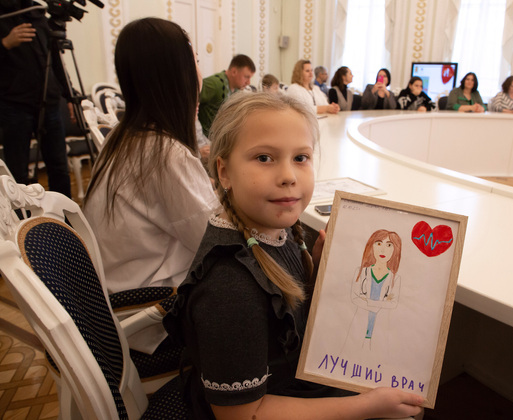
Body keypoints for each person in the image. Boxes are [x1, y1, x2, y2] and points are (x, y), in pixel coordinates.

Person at [163, 93, 425, 419]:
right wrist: (367, 406)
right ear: (224, 171)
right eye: (264, 158)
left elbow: (286, 320)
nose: (288, 175)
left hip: (293, 381)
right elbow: (241, 415)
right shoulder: (229, 288)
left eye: (301, 157)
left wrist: (318, 271)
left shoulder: (277, 232)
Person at [83, 18, 219, 299]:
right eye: (195, 61)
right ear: (175, 75)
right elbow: (215, 240)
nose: (200, 74)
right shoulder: (166, 153)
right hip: (152, 304)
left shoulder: (121, 135)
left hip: (118, 286)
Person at [0, 1, 72, 197]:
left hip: (49, 102)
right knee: (18, 173)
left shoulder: (37, 14)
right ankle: (23, 215)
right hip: (14, 104)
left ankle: (65, 213)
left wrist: (69, 95)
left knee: (59, 166)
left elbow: (55, 60)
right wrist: (5, 43)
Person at [198, 54, 256, 136]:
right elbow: (189, 102)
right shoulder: (215, 84)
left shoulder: (236, 90)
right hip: (205, 139)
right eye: (246, 77)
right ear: (234, 72)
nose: (248, 82)